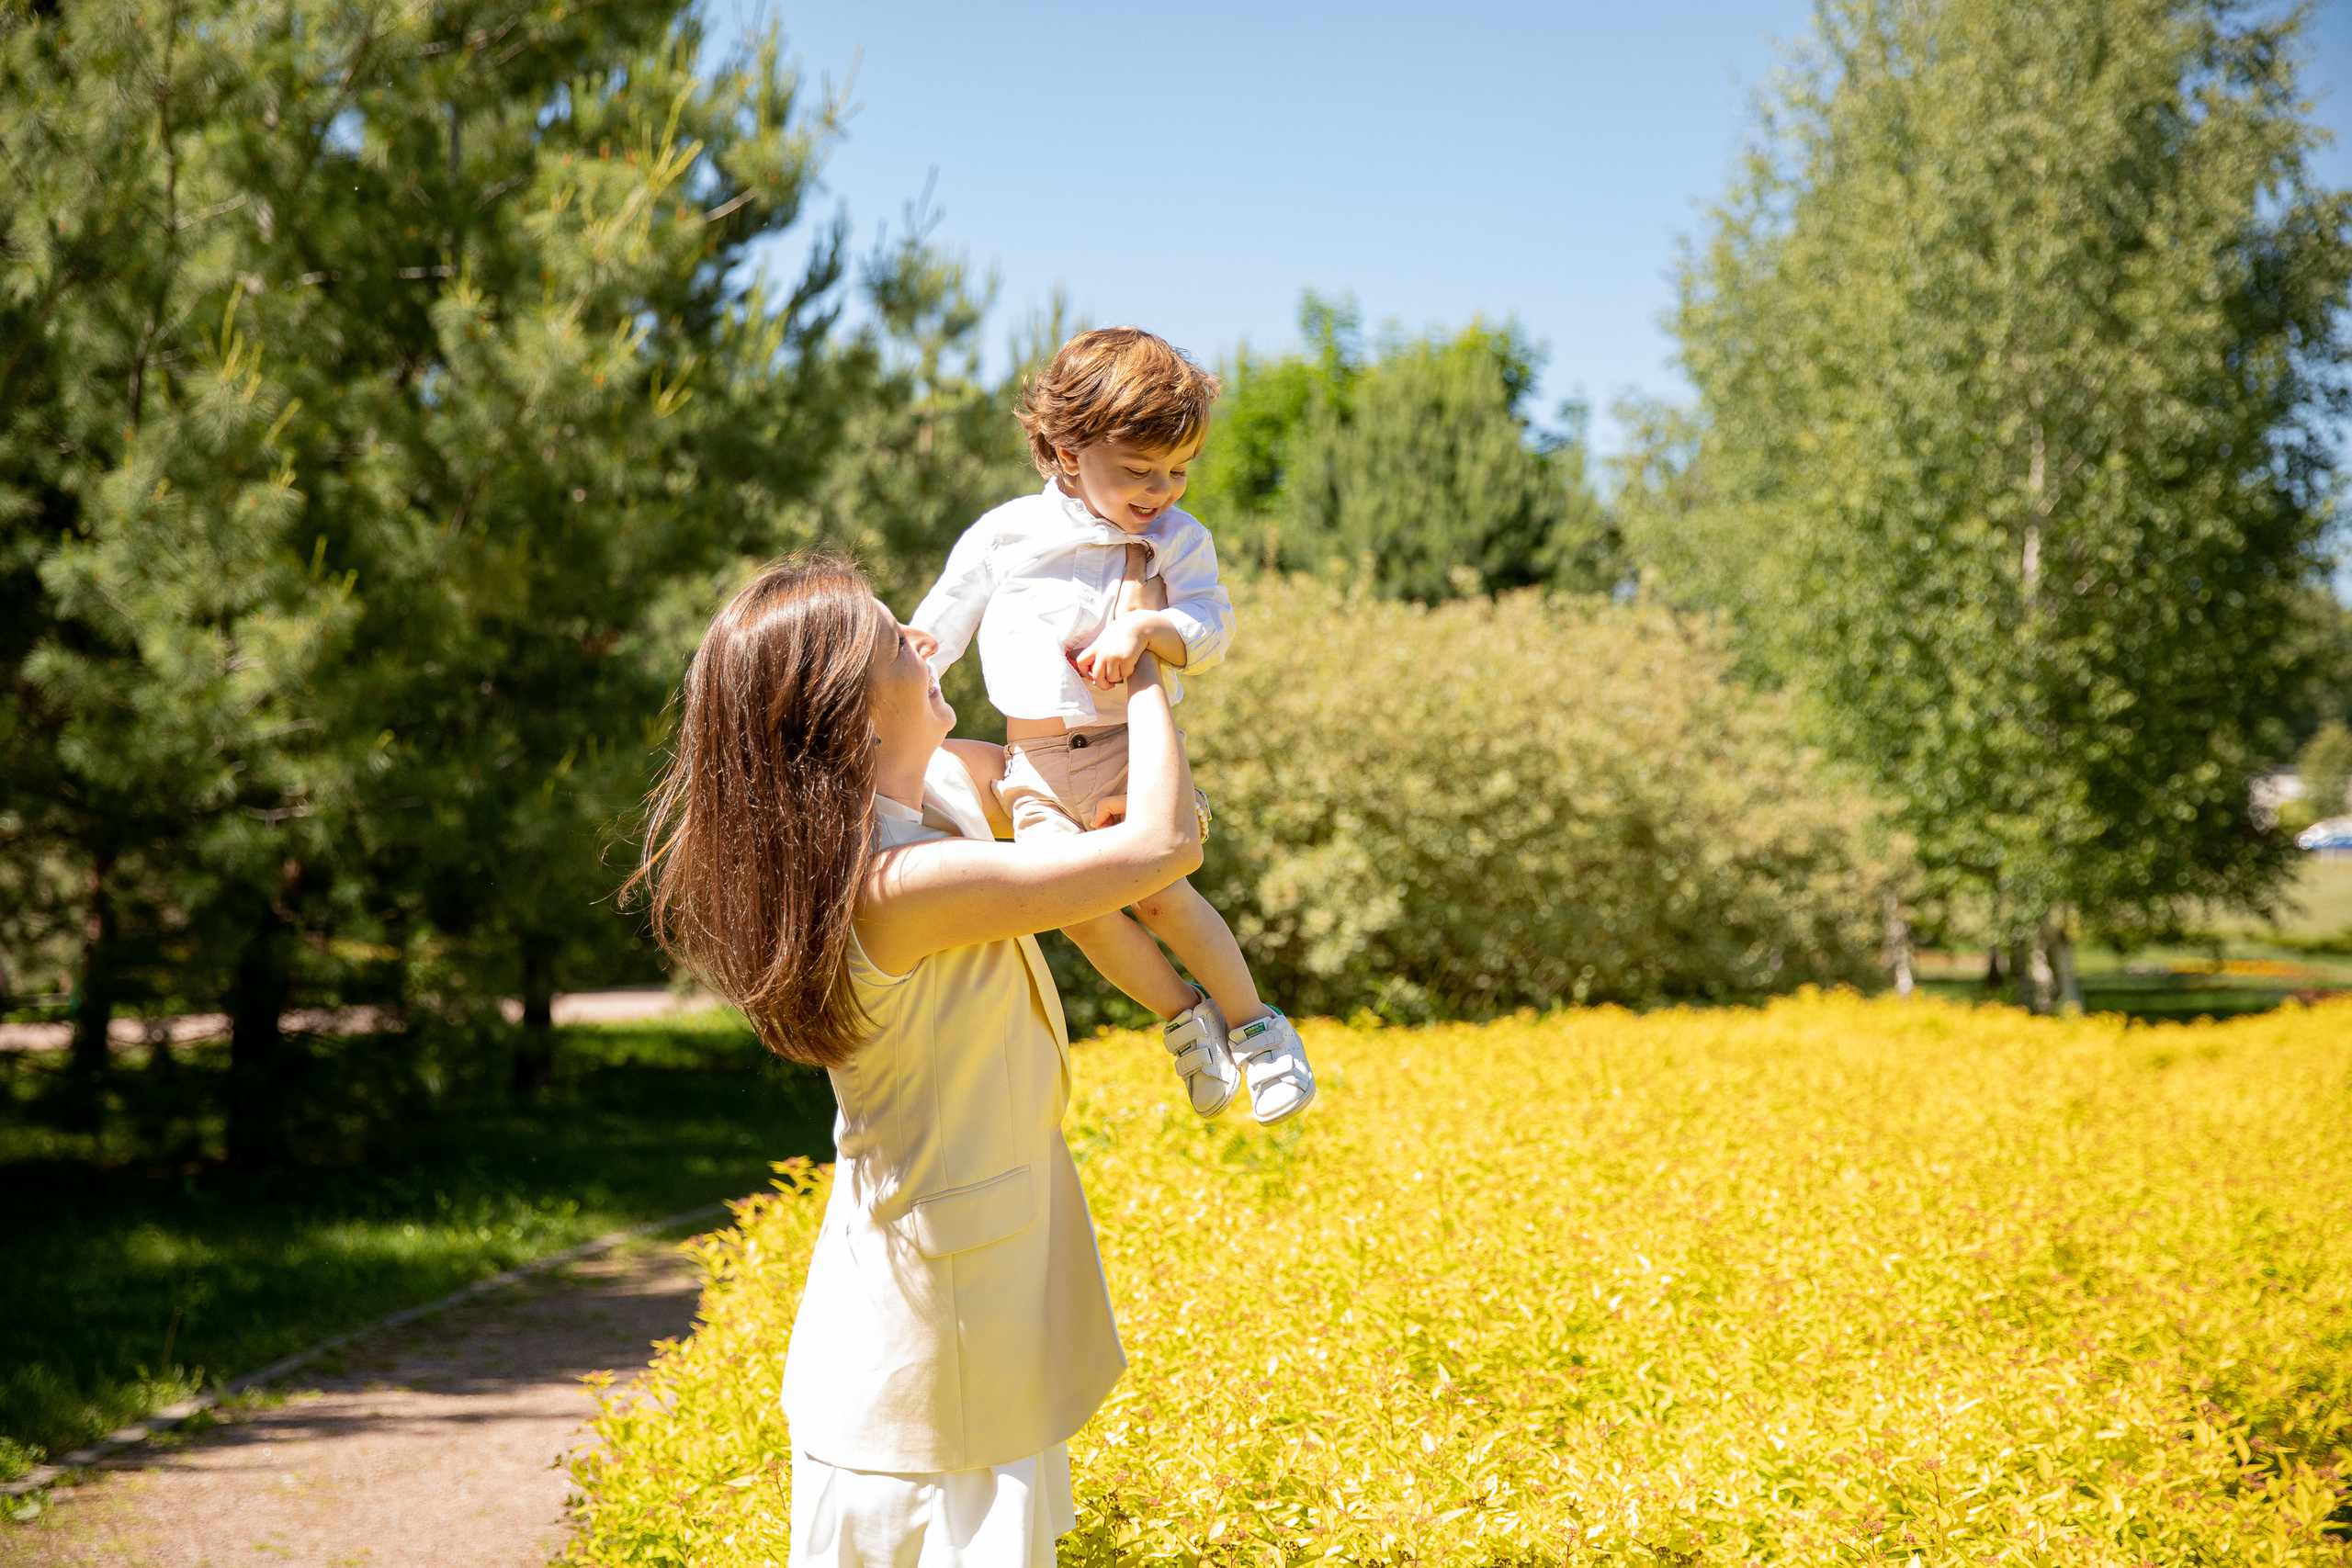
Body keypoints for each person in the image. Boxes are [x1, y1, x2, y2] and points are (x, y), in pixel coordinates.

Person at [631, 556, 1203, 1565]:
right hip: (930, 1361)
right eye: (900, 639)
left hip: (968, 1310)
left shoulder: (923, 791)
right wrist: (1149, 650)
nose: (926, 642)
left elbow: (1045, 771)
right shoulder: (892, 888)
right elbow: (1157, 844)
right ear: (856, 723)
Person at [909, 325, 1316, 1125]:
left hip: (1132, 758)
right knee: (1073, 905)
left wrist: (1146, 632)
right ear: (1067, 450)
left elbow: (1211, 626)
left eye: (1178, 472)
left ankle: (1258, 1027)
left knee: (1161, 894)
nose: (1161, 488)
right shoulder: (1009, 534)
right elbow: (944, 619)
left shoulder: (1173, 541)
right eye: (1139, 470)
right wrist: (913, 663)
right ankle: (1182, 1015)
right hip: (1035, 768)